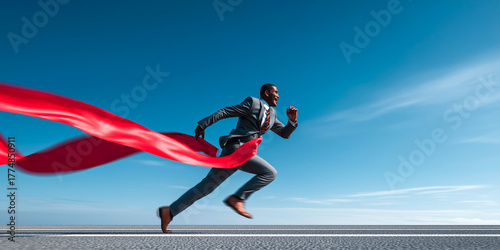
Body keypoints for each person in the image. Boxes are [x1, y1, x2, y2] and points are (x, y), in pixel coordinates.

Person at [157, 83, 298, 233]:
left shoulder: (273, 115)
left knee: (206, 187)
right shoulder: (253, 102)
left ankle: (170, 212)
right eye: (276, 92)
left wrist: (292, 121)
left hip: (244, 153)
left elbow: (284, 134)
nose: (279, 95)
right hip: (237, 148)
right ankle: (237, 199)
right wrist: (203, 124)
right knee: (270, 172)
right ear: (267, 93)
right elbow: (226, 111)